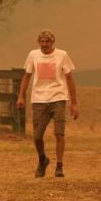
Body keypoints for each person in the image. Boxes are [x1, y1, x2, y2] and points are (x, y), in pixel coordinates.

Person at [16, 29, 79, 178]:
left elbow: (69, 78)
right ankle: (42, 159)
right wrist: (21, 96)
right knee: (37, 136)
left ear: (53, 42)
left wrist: (74, 103)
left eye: (47, 41)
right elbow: (27, 76)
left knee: (59, 133)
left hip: (58, 97)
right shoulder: (33, 55)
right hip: (39, 99)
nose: (45, 44)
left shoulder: (62, 55)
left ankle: (59, 166)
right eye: (42, 42)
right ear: (39, 43)